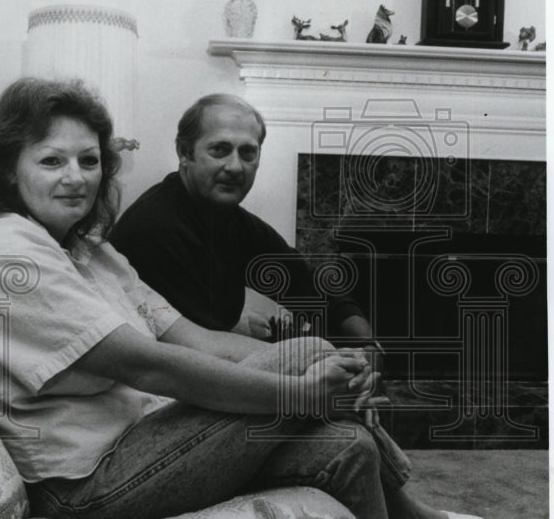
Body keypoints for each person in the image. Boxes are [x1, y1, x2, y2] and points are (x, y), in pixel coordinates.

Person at [0, 77, 515, 519]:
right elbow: (158, 366)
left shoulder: (89, 251)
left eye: (88, 160)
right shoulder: (7, 251)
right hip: (86, 481)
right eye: (51, 160)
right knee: (308, 394)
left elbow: (196, 339)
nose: (75, 177)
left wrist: (327, 360)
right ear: (8, 167)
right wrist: (297, 393)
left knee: (345, 446)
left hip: (141, 440)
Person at [109, 93, 379, 351]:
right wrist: (327, 359)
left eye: (248, 152)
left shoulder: (223, 215)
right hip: (157, 387)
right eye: (219, 150)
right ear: (184, 153)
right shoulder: (156, 228)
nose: (236, 166)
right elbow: (205, 350)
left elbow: (303, 280)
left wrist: (365, 342)